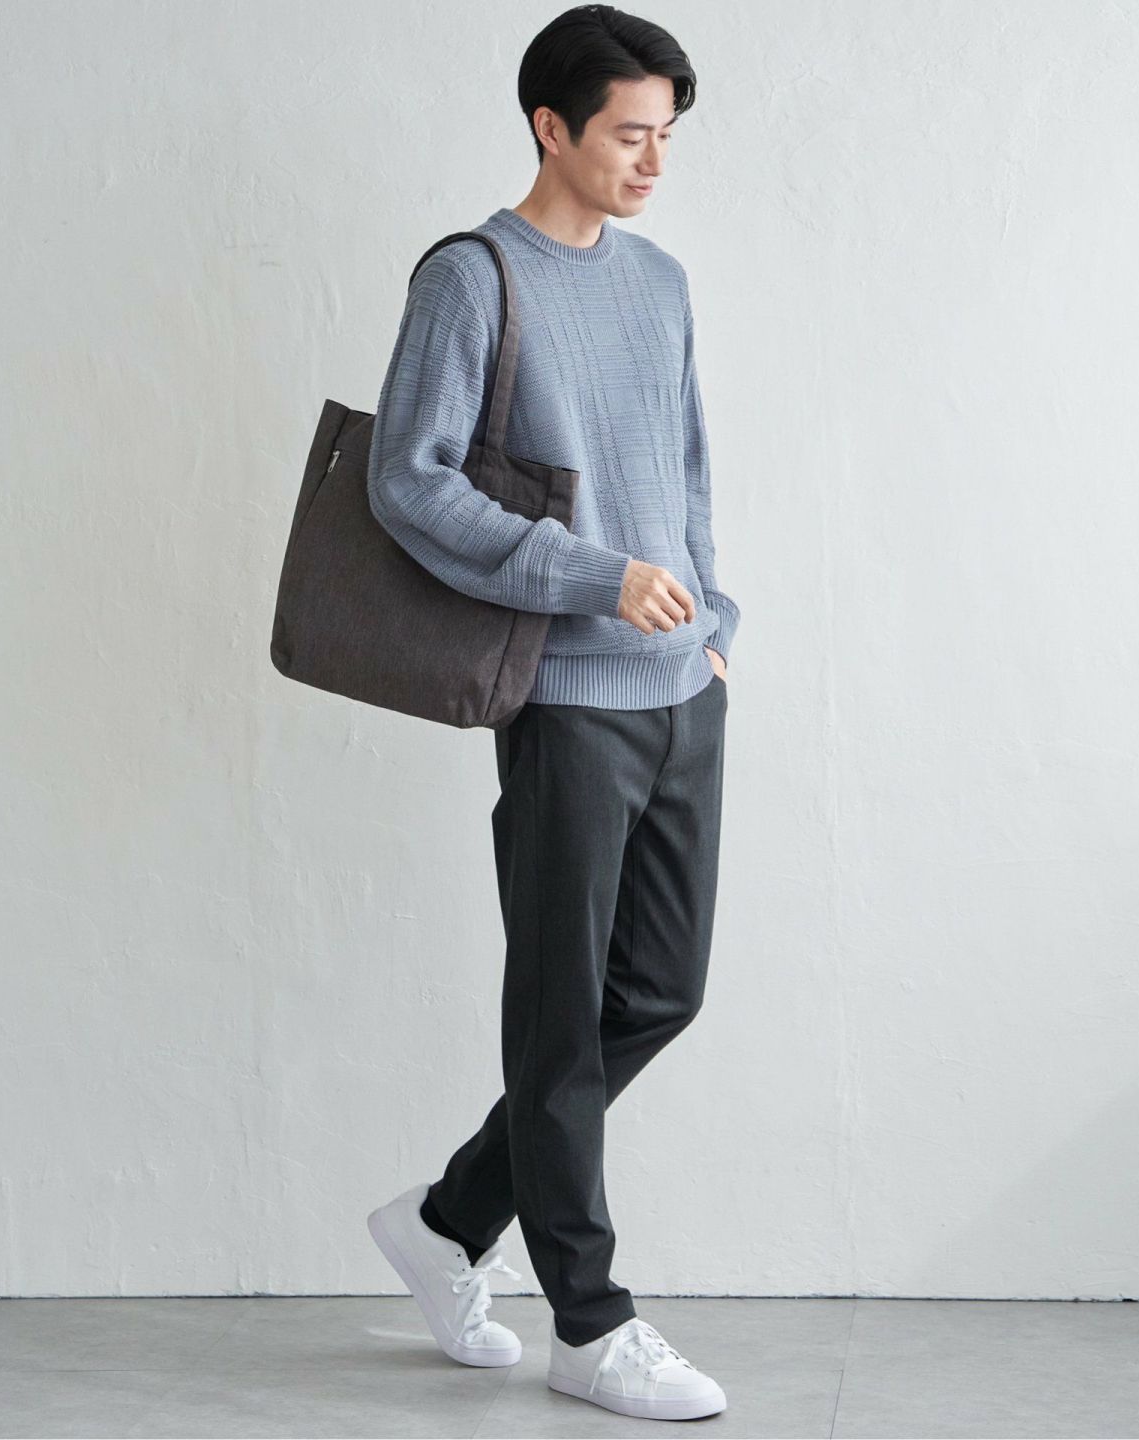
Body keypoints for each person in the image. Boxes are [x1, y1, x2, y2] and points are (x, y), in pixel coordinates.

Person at [363, 5, 738, 1421]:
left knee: (662, 992)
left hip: (682, 689)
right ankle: (591, 1324)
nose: (653, 161)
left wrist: (713, 624)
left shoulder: (661, 282)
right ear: (551, 127)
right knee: (561, 1017)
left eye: (666, 136)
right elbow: (409, 482)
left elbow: (685, 466)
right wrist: (598, 577)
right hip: (570, 701)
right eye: (630, 134)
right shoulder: (472, 279)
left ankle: (450, 1221)